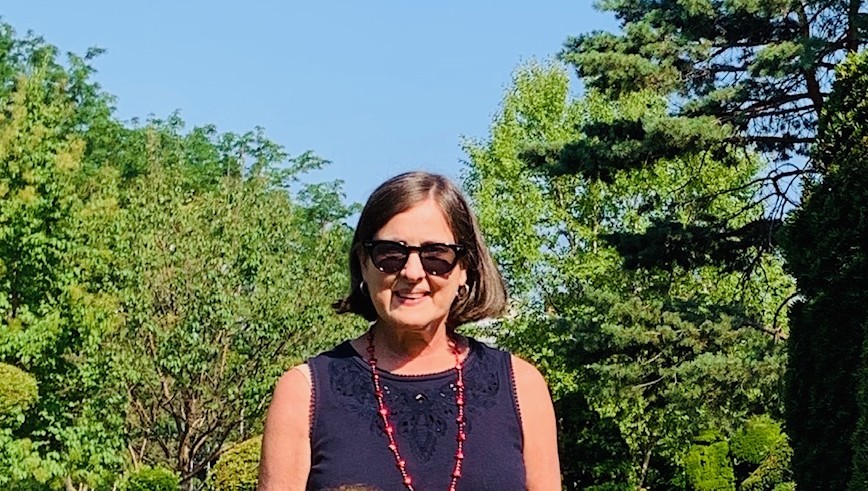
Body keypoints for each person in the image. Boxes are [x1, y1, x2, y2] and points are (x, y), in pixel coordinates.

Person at [258, 172, 560, 490]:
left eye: (436, 256)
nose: (413, 272)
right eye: (390, 254)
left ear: (464, 268)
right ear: (363, 263)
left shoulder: (522, 388)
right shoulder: (304, 393)